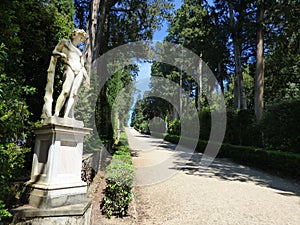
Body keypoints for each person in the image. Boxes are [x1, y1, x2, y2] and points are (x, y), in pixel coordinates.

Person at [41, 29, 89, 119]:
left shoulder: (79, 52)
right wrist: (61, 54)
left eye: (82, 39)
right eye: (80, 37)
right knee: (65, 91)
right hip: (69, 67)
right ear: (75, 35)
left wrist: (87, 78)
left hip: (79, 71)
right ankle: (56, 114)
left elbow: (82, 66)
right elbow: (54, 52)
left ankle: (67, 115)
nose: (81, 40)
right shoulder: (65, 42)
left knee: (74, 94)